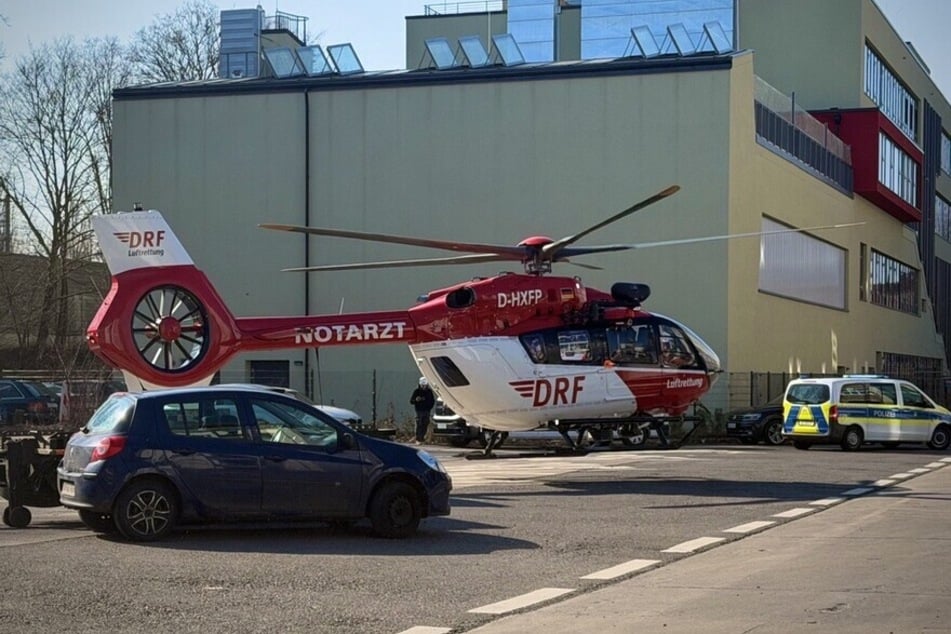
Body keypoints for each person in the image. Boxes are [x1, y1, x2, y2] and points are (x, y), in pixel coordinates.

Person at [409, 377, 436, 444]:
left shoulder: (429, 392)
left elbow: (432, 400)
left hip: (427, 410)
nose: (424, 387)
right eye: (423, 385)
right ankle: (418, 438)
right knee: (419, 424)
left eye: (425, 386)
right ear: (420, 385)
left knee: (425, 423)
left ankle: (422, 437)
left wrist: (429, 407)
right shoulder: (417, 391)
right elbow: (411, 401)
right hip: (419, 410)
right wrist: (416, 400)